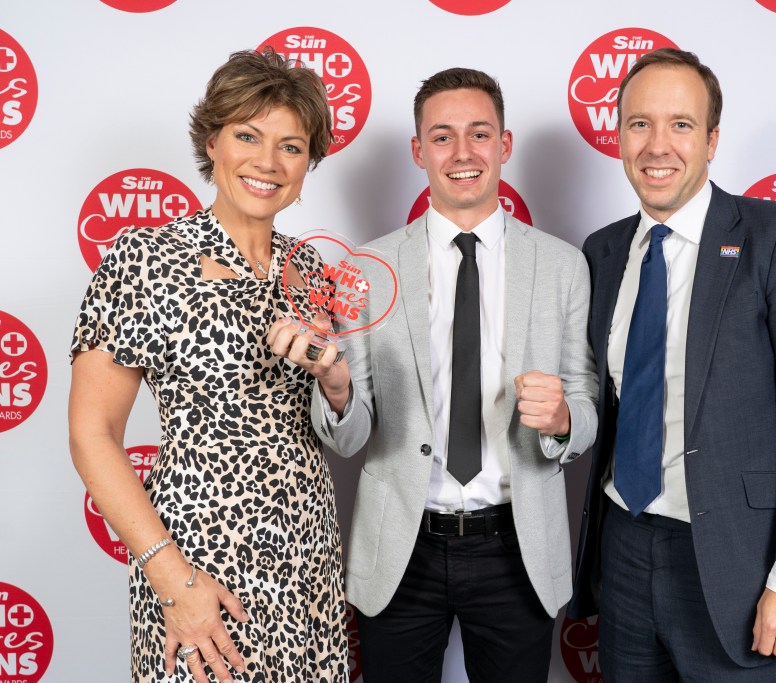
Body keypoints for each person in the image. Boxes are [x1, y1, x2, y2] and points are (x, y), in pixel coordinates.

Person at [269, 67, 598, 682]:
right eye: (442, 136)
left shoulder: (563, 266)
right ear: (419, 151)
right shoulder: (369, 266)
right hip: (402, 546)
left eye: (479, 133)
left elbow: (585, 409)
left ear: (504, 145)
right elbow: (346, 436)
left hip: (518, 548)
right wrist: (336, 391)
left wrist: (562, 419)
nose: (463, 152)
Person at [567, 48, 776, 681]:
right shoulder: (604, 250)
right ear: (618, 136)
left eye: (681, 124)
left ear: (713, 139)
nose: (657, 145)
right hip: (625, 548)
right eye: (640, 123)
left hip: (741, 566)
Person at [69, 48, 348, 683]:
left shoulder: (310, 273)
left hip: (309, 557)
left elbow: (340, 420)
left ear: (309, 164)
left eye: (292, 146)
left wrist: (336, 377)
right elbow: (91, 435)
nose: (268, 162)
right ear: (212, 143)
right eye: (247, 135)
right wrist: (172, 580)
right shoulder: (145, 259)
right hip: (202, 565)